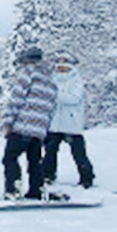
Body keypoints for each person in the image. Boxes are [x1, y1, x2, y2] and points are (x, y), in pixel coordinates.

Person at [1, 46, 57, 200]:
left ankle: (13, 190)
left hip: (22, 126)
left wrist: (8, 122)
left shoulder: (27, 74)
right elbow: (52, 107)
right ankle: (36, 190)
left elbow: (16, 99)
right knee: (34, 161)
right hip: (39, 129)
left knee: (9, 158)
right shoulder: (51, 79)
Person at [43, 51, 95, 188]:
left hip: (72, 123)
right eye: (59, 65)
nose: (61, 68)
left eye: (64, 65)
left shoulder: (76, 80)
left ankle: (87, 178)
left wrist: (56, 95)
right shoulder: (51, 79)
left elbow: (74, 98)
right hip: (54, 123)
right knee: (50, 151)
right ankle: (48, 175)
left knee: (78, 153)